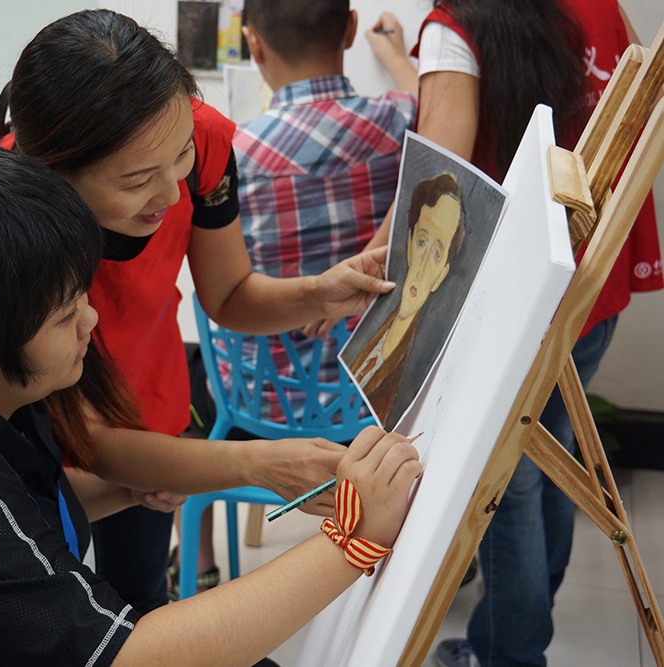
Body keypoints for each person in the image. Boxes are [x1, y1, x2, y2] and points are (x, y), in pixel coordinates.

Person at [0, 143, 422, 666]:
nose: (90, 321)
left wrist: (123, 490)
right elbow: (126, 656)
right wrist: (352, 540)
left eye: (82, 296)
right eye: (64, 315)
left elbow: (12, 513)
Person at [0, 9, 397, 613]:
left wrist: (318, 293)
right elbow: (86, 440)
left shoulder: (198, 139)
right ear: (54, 178)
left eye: (179, 158)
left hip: (148, 407)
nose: (173, 193)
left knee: (140, 597)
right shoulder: (2, 212)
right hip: (43, 431)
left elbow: (228, 295)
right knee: (49, 602)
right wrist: (257, 463)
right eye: (137, 181)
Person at [367, 3, 663, 666]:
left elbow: (440, 176)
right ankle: (528, 620)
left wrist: (370, 263)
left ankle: (509, 652)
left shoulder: (458, 25)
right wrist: (399, 59)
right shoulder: (596, 7)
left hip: (523, 302)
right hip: (590, 286)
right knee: (552, 455)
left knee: (509, 483)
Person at [230, 0, 418, 424]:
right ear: (350, 29)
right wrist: (395, 56)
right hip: (378, 400)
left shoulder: (233, 155)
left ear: (254, 44)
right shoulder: (401, 120)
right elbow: (429, 101)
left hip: (262, 402)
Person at [350, 174, 464, 422]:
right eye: (422, 241)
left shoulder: (416, 373)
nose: (421, 268)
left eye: (436, 253)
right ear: (410, 244)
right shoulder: (372, 329)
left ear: (441, 275)